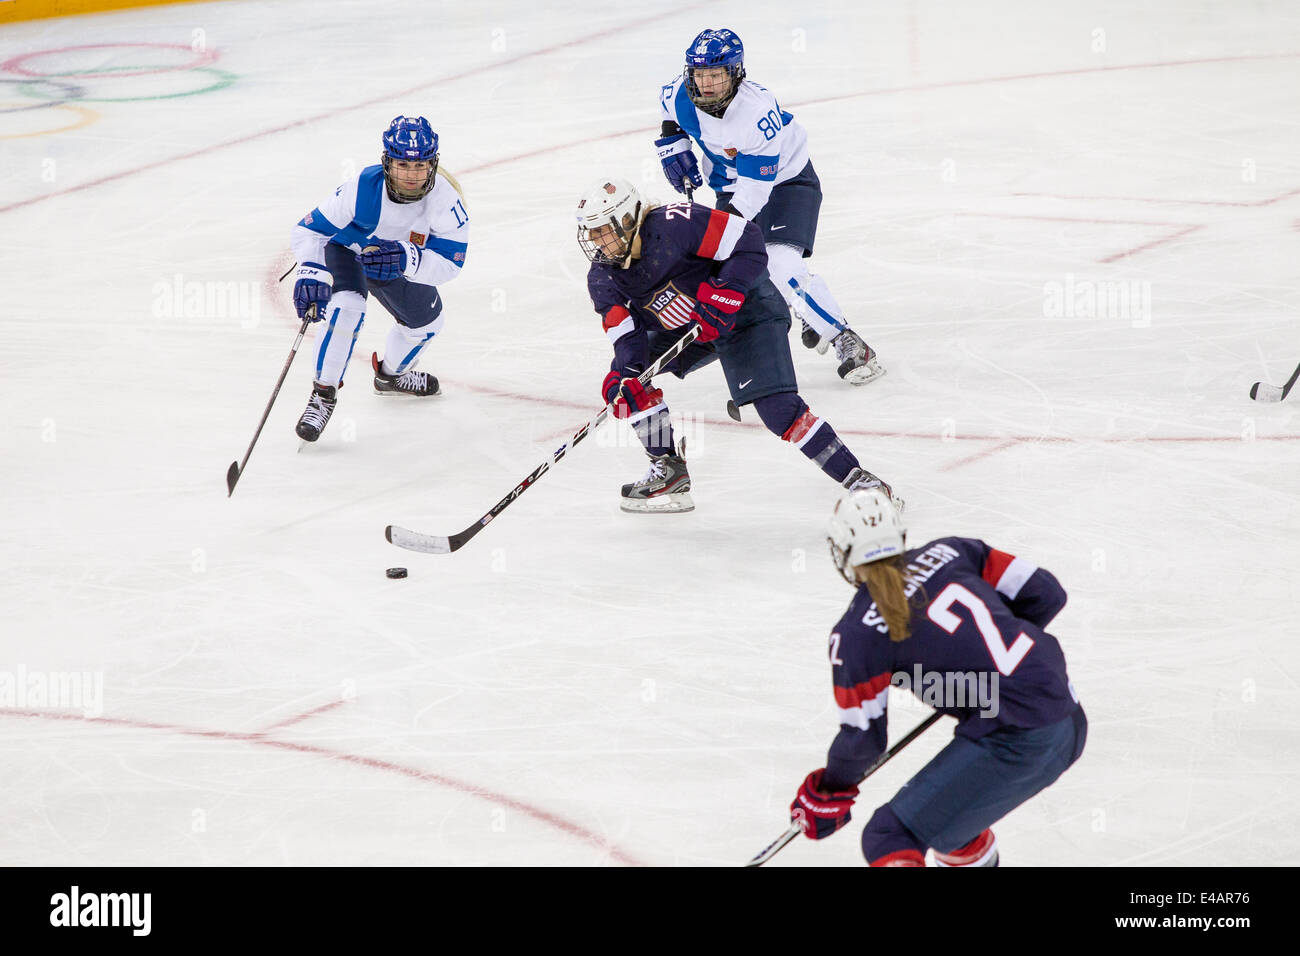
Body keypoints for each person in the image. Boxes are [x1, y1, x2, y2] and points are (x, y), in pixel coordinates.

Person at [789, 489, 1086, 866]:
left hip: (1017, 739)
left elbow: (863, 741)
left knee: (888, 837)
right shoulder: (953, 551)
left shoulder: (856, 635)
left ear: (844, 551)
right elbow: (1046, 594)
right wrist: (992, 679)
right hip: (1069, 717)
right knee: (950, 829)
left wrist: (828, 790)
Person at [576, 176, 895, 514]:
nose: (595, 241)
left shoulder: (677, 225)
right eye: (591, 232)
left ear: (627, 220)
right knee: (627, 382)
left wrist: (725, 292)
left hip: (748, 311)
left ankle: (862, 481)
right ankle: (668, 470)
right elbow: (626, 336)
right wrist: (627, 375)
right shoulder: (602, 277)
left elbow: (748, 239)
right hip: (694, 325)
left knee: (778, 410)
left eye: (601, 230)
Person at [656, 28, 883, 386]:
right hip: (729, 184)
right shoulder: (678, 94)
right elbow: (671, 117)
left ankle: (845, 338)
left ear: (735, 73)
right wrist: (673, 146)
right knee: (738, 275)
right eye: (700, 75)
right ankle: (794, 313)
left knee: (776, 261)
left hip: (786, 182)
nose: (707, 85)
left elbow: (754, 194)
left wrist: (714, 237)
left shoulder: (756, 114)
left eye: (716, 75)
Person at [288, 115, 470, 442]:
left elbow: (450, 264)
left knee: (427, 324)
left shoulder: (446, 201)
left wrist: (407, 258)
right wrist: (310, 272)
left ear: (433, 164)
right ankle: (323, 393)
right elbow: (309, 231)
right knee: (347, 308)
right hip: (348, 253)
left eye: (420, 166)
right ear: (387, 161)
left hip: (397, 265)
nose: (412, 175)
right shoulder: (361, 188)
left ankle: (391, 376)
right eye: (402, 164)